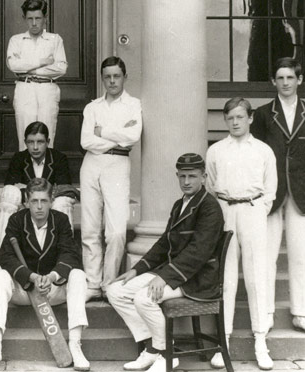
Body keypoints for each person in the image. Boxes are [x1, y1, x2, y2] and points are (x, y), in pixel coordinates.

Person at [107, 153, 224, 372]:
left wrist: (164, 277)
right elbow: (164, 244)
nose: (186, 182)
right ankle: (153, 348)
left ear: (204, 177)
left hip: (198, 278)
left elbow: (197, 253)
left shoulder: (210, 207)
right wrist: (137, 269)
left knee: (145, 297)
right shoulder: (180, 204)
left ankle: (166, 354)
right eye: (182, 176)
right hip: (175, 273)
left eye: (192, 176)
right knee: (115, 291)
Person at [250, 57, 305, 338]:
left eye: (290, 78)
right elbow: (255, 152)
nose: (285, 83)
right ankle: (266, 314)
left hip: (301, 193)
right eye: (280, 78)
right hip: (270, 194)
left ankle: (301, 314)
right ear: (273, 81)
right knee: (267, 256)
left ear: (300, 80)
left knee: (299, 256)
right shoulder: (262, 114)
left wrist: (300, 175)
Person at [0, 178, 89, 372]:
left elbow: (70, 254)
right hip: (24, 291)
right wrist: (31, 277)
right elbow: (6, 257)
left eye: (44, 201)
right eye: (34, 201)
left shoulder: (61, 220)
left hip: (52, 290)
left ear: (51, 201)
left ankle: (75, 344)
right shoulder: (16, 220)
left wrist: (52, 277)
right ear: (26, 202)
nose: (39, 207)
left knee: (79, 275)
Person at [206, 98, 277, 370]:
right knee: (226, 277)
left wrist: (259, 208)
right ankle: (222, 339)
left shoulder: (263, 151)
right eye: (230, 118)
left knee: (256, 276)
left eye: (240, 117)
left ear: (250, 118)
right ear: (225, 120)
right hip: (226, 211)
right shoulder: (216, 151)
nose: (235, 122)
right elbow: (211, 184)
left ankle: (261, 341)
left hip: (253, 210)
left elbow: (270, 186)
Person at [80, 56, 142, 300]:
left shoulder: (133, 104)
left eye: (117, 76)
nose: (112, 81)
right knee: (90, 227)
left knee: (116, 231)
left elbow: (133, 136)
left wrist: (103, 132)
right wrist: (117, 137)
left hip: (118, 165)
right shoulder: (92, 107)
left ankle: (108, 284)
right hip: (91, 165)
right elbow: (86, 140)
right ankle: (93, 284)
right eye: (107, 76)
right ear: (102, 78)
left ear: (125, 77)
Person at [0, 121, 77, 276]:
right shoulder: (19, 158)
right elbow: (11, 185)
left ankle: (64, 263)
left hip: (49, 204)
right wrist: (42, 191)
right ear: (25, 143)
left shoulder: (58, 158)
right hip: (28, 205)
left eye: (40, 142)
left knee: (63, 202)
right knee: (9, 192)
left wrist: (31, 191)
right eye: (30, 142)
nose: (35, 147)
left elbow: (65, 189)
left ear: (48, 142)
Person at [7, 0, 67, 150]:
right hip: (24, 89)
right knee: (25, 136)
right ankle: (28, 173)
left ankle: (45, 173)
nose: (34, 23)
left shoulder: (55, 40)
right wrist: (42, 61)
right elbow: (14, 65)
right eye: (30, 19)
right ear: (24, 18)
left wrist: (31, 69)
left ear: (45, 18)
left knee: (47, 136)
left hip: (47, 89)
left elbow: (61, 68)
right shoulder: (16, 40)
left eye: (38, 18)